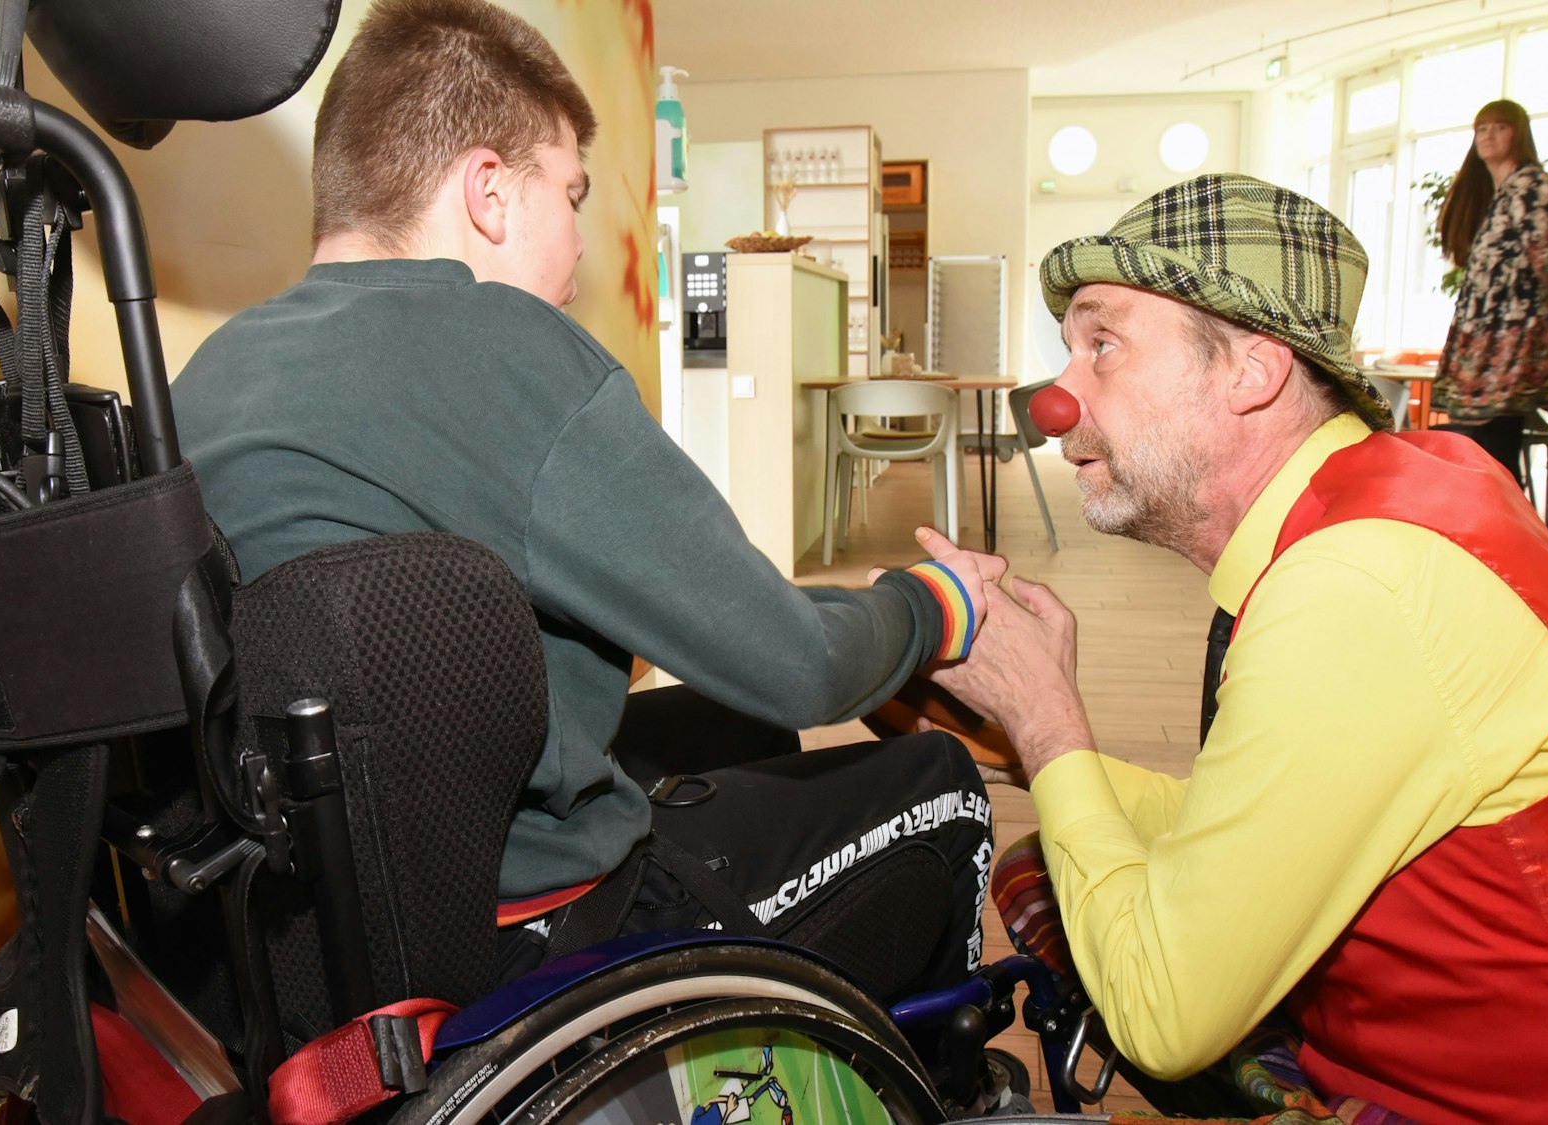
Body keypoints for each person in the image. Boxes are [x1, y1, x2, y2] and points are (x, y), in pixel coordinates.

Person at [169, 0, 999, 1000]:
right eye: (569, 194)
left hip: (311, 922)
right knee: (944, 789)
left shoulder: (214, 371)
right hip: (519, 929)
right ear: (489, 192)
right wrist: (937, 603)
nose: (578, 247)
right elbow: (803, 669)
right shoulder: (504, 349)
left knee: (733, 729)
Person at [931, 174, 1548, 1123]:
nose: (1058, 399)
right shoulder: (1395, 495)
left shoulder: (1356, 583)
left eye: (1103, 346)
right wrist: (1013, 738)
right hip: (1467, 1063)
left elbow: (1160, 1014)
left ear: (1252, 371)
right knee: (1053, 850)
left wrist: (1050, 720)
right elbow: (1262, 816)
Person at [1432, 98, 1548, 482]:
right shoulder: (1501, 193)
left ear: (1519, 134)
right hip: (1490, 338)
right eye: (1482, 128)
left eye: (1500, 127)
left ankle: (1504, 516)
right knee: (1487, 446)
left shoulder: (1530, 186)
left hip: (1511, 338)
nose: (1489, 136)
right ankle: (1497, 512)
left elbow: (1547, 255)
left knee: (1495, 445)